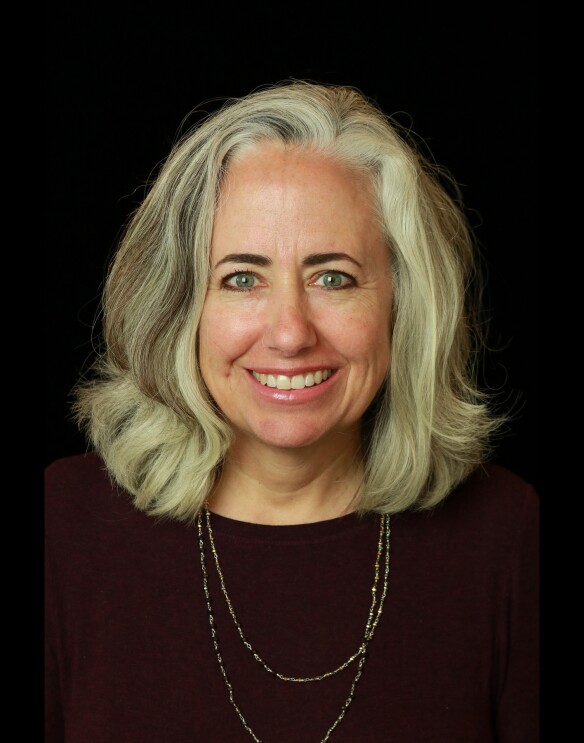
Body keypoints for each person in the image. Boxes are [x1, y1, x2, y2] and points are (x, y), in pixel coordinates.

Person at [45, 80, 539, 742]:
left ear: (403, 302)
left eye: (332, 277)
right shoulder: (60, 528)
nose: (289, 331)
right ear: (180, 308)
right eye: (241, 278)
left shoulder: (510, 537)